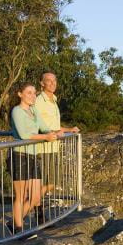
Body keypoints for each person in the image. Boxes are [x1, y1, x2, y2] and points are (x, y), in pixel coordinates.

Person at [9, 82, 59, 233]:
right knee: (21, 195)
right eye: (29, 92)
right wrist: (45, 136)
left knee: (36, 196)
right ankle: (18, 229)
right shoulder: (17, 111)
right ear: (20, 94)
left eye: (34, 93)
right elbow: (24, 135)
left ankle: (13, 223)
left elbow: (44, 127)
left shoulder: (34, 110)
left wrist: (55, 132)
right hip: (19, 155)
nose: (32, 96)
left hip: (32, 155)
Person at [34, 72, 79, 213]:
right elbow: (37, 125)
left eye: (54, 80)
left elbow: (54, 125)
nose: (53, 83)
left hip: (53, 147)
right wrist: (52, 132)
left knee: (51, 183)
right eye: (49, 81)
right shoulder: (38, 101)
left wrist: (69, 130)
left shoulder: (53, 100)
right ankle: (30, 209)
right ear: (42, 83)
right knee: (45, 183)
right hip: (42, 148)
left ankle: (35, 208)